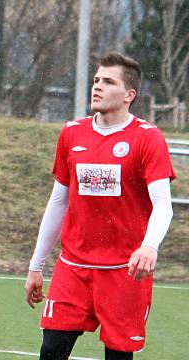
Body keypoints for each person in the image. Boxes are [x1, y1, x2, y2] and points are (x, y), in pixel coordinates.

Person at [24, 52, 175, 360]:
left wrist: (149, 246)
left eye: (108, 81)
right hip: (73, 268)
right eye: (96, 80)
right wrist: (36, 266)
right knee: (51, 350)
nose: (97, 87)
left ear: (129, 95)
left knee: (118, 356)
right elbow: (59, 201)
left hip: (124, 272)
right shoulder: (72, 132)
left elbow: (163, 204)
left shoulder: (147, 138)